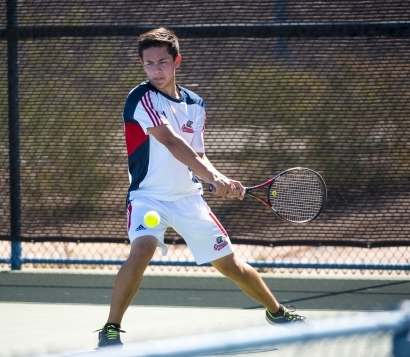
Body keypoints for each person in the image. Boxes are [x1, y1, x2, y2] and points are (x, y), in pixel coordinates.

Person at [96, 27, 308, 348]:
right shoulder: (141, 98)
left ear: (177, 61)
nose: (156, 69)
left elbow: (197, 153)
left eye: (163, 62)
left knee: (231, 265)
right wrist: (213, 178)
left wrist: (216, 178)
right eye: (149, 63)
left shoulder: (196, 104)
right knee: (142, 250)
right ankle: (111, 328)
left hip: (189, 201)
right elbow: (170, 141)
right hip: (148, 199)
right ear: (142, 66)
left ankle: (276, 312)